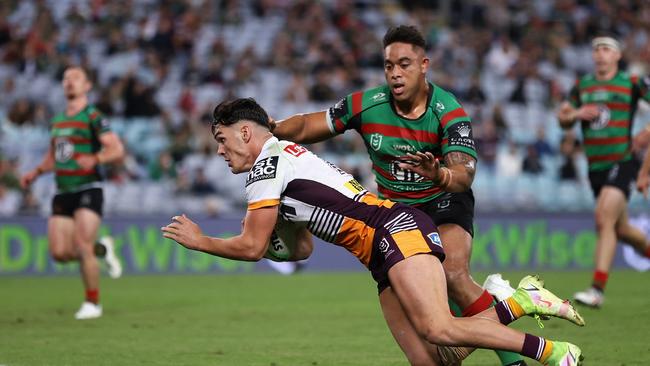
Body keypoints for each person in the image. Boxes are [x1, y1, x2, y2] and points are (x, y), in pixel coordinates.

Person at [162, 98, 585, 366]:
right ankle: (520, 301)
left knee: (440, 328)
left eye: (221, 138)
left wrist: (203, 242)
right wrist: (274, 243)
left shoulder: (265, 168)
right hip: (380, 251)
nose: (219, 150)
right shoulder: (281, 158)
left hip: (393, 230)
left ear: (245, 132)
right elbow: (302, 248)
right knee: (434, 359)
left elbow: (253, 247)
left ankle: (553, 354)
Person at [271, 25, 525, 365]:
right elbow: (305, 126)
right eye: (389, 65)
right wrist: (269, 131)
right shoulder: (366, 105)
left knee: (452, 275)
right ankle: (506, 304)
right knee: (438, 353)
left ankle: (517, 360)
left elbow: (463, 176)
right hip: (398, 216)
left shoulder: (448, 111)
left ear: (424, 65)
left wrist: (440, 173)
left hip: (444, 200)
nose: (395, 73)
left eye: (404, 64)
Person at [20, 66, 125, 320]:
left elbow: (117, 150)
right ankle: (102, 247)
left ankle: (92, 303)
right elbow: (56, 156)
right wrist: (36, 171)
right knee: (60, 253)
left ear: (87, 85)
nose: (69, 82)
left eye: (75, 78)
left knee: (81, 244)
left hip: (88, 187)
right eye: (66, 78)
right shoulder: (58, 121)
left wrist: (96, 157)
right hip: (62, 190)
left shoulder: (93, 116)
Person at [557, 36, 650, 308]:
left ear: (617, 56)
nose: (600, 53)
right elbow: (562, 118)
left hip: (622, 161)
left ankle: (597, 289)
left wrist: (647, 131)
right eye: (596, 48)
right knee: (621, 229)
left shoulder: (632, 83)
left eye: (606, 49)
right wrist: (575, 114)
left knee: (602, 218)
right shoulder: (582, 86)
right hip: (595, 168)